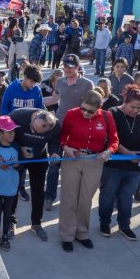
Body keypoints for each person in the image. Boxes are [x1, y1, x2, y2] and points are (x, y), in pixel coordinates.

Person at [58, 90, 118, 252]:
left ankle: (82, 233)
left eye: (90, 111)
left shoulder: (107, 116)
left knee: (86, 199)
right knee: (69, 198)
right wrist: (66, 147)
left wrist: (109, 151)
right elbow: (62, 136)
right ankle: (67, 234)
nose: (85, 113)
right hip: (73, 159)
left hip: (94, 161)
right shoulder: (71, 115)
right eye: (83, 108)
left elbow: (114, 140)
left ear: (99, 108)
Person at [99, 85, 140, 240]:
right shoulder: (113, 113)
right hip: (113, 165)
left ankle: (124, 225)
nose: (136, 110)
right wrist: (127, 153)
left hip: (134, 167)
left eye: (139, 107)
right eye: (133, 107)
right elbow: (109, 138)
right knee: (108, 194)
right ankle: (104, 223)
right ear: (125, 101)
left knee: (126, 196)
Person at [43, 54, 94, 207]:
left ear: (78, 68)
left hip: (78, 129)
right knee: (54, 162)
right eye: (65, 67)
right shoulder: (59, 82)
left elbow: (92, 107)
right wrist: (35, 101)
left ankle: (74, 198)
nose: (67, 70)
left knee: (76, 165)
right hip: (59, 126)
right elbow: (53, 99)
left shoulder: (87, 84)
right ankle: (49, 197)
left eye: (70, 67)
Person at [8, 107, 60, 241]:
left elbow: (54, 142)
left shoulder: (55, 125)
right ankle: (10, 221)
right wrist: (19, 150)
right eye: (33, 128)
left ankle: (36, 223)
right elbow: (3, 136)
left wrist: (54, 152)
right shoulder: (16, 116)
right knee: (13, 190)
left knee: (38, 191)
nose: (33, 132)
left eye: (38, 132)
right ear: (35, 116)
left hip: (38, 158)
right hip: (18, 157)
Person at [0, 116, 22, 251]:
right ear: (0, 133)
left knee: (8, 211)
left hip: (11, 184)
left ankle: (5, 236)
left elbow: (21, 165)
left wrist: (17, 165)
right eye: (9, 131)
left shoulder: (17, 147)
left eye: (14, 131)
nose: (12, 134)